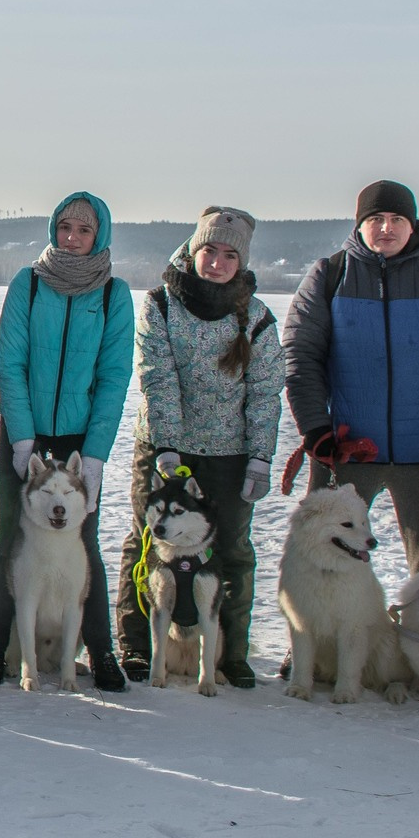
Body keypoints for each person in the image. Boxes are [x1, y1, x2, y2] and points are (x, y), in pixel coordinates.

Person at [285, 180, 419, 572]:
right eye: (375, 218)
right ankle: (329, 635)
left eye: (397, 218)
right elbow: (301, 356)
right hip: (345, 452)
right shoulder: (329, 276)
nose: (386, 228)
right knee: (321, 563)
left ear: (412, 226)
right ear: (359, 225)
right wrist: (315, 429)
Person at [0, 192, 135, 691]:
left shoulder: (113, 294)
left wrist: (96, 453)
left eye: (83, 230)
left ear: (98, 236)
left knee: (82, 542)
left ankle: (102, 650)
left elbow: (114, 377)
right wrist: (22, 439)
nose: (71, 237)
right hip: (27, 431)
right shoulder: (29, 283)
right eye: (64, 227)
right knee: (10, 539)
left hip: (80, 438)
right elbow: (11, 363)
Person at [118, 206, 284, 689]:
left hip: (229, 456)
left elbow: (266, 390)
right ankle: (136, 643)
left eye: (229, 254)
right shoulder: (162, 303)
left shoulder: (255, 316)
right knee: (147, 542)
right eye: (209, 250)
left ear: (241, 262)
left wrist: (260, 456)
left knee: (231, 547)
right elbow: (158, 375)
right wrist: (168, 445)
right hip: (165, 447)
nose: (216, 262)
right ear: (194, 250)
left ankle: (229, 651)